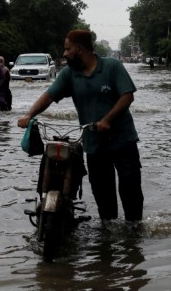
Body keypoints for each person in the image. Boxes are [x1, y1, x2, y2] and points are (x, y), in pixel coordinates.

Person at [17, 29, 144, 228]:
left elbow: (127, 96)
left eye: (67, 49)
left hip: (123, 140)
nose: (64, 53)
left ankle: (134, 235)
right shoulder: (69, 73)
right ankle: (109, 237)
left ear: (79, 49)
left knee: (130, 189)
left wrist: (108, 119)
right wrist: (29, 115)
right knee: (103, 195)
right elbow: (48, 96)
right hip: (94, 144)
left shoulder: (112, 66)